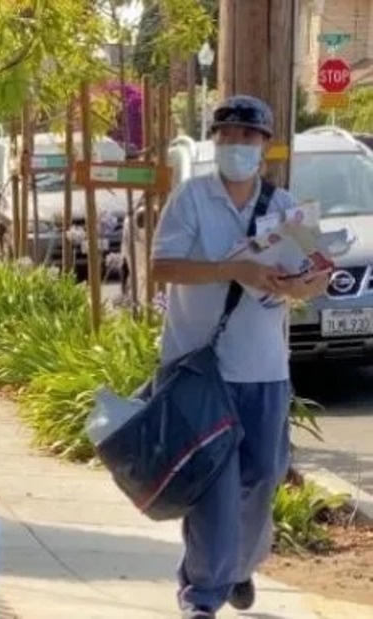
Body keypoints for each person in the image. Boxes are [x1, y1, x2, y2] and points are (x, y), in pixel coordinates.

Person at [150, 95, 329, 619]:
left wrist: (304, 283)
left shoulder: (284, 208)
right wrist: (234, 271)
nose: (236, 145)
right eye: (227, 136)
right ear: (215, 142)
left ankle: (239, 566)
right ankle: (201, 594)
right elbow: (163, 268)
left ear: (265, 147)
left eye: (247, 138)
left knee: (263, 476)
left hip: (265, 371)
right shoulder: (191, 199)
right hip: (199, 369)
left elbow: (317, 275)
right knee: (215, 487)